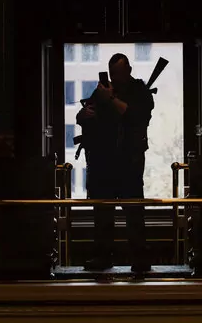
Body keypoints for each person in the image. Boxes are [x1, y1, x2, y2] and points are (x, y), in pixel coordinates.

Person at [76, 53, 154, 272]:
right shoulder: (102, 91)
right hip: (104, 163)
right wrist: (85, 114)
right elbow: (83, 116)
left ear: (128, 70)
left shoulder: (140, 91)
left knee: (134, 212)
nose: (115, 78)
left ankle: (139, 257)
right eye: (112, 74)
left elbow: (133, 116)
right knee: (102, 213)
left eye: (118, 73)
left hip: (129, 162)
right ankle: (102, 256)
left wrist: (110, 99)